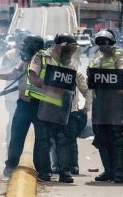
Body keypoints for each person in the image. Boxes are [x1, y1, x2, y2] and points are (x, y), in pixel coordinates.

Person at [0, 34, 46, 178]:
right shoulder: (26, 61)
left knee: (42, 139)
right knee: (16, 136)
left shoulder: (44, 61)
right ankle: (11, 166)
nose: (23, 48)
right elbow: (14, 75)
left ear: (33, 46)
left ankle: (44, 170)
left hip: (40, 104)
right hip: (24, 104)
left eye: (26, 45)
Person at [26, 33, 78, 183]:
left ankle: (65, 172)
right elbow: (33, 76)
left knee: (61, 139)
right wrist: (49, 87)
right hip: (40, 104)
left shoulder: (67, 62)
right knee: (43, 139)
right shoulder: (41, 56)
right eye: (69, 49)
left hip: (58, 106)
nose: (72, 52)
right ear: (60, 47)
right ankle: (44, 172)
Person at [89, 30, 123, 183]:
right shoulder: (96, 60)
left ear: (111, 43)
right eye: (100, 43)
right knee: (101, 139)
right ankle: (108, 171)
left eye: (106, 43)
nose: (103, 46)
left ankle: (118, 172)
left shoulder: (119, 56)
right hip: (99, 104)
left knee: (117, 138)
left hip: (115, 103)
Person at [0, 29, 29, 145]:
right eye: (20, 39)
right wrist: (18, 68)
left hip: (28, 96)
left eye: (24, 39)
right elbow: (5, 72)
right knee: (13, 122)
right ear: (16, 40)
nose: (22, 42)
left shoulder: (33, 54)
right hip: (13, 97)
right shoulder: (9, 55)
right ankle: (10, 148)